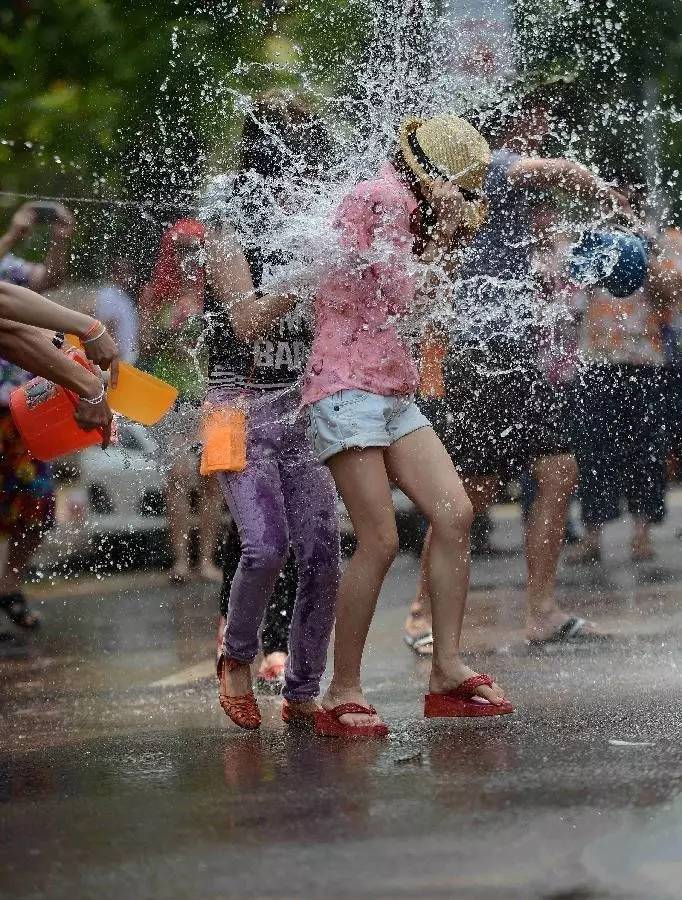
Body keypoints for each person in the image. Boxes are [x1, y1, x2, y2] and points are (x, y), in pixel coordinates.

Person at [303, 113, 515, 739]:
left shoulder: (406, 208)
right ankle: (341, 690)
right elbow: (406, 299)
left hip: (390, 389)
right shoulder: (385, 198)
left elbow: (424, 313)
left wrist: (444, 235)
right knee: (380, 539)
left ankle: (446, 670)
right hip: (345, 387)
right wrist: (446, 236)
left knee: (454, 513)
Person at [410, 94, 632, 652]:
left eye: (545, 117)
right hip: (479, 356)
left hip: (516, 356)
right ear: (505, 125)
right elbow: (558, 170)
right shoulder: (493, 166)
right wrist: (596, 186)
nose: (543, 127)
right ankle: (420, 615)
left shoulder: (506, 196)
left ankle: (542, 611)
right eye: (534, 117)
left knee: (558, 470)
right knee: (473, 490)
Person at [203, 91, 340, 730]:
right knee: (263, 547)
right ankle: (236, 657)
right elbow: (249, 321)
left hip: (302, 409)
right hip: (234, 410)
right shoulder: (228, 233)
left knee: (321, 553)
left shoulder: (319, 230)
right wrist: (307, 275)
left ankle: (306, 688)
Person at [0, 202, 113, 628]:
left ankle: (8, 587)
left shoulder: (14, 268)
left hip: (21, 407)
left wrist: (74, 357)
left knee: (35, 499)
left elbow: (15, 321)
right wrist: (88, 333)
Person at [568, 218, 682, 564]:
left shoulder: (657, 242)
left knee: (646, 451)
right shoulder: (589, 239)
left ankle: (641, 535)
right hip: (597, 363)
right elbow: (570, 291)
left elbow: (671, 290)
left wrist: (646, 251)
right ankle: (592, 536)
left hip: (646, 363)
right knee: (594, 452)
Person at [140, 220, 223, 584]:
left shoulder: (218, 292)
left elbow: (231, 342)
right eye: (183, 248)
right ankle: (180, 560)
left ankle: (205, 560)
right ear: (170, 251)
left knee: (212, 478)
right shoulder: (155, 296)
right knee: (176, 476)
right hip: (171, 396)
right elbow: (143, 346)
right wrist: (168, 328)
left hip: (213, 394)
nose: (190, 255)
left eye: (195, 247)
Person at [94, 258, 139, 364]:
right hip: (117, 359)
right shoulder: (109, 295)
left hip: (128, 359)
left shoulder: (124, 297)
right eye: (122, 273)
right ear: (114, 274)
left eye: (128, 273)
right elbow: (106, 326)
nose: (126, 277)